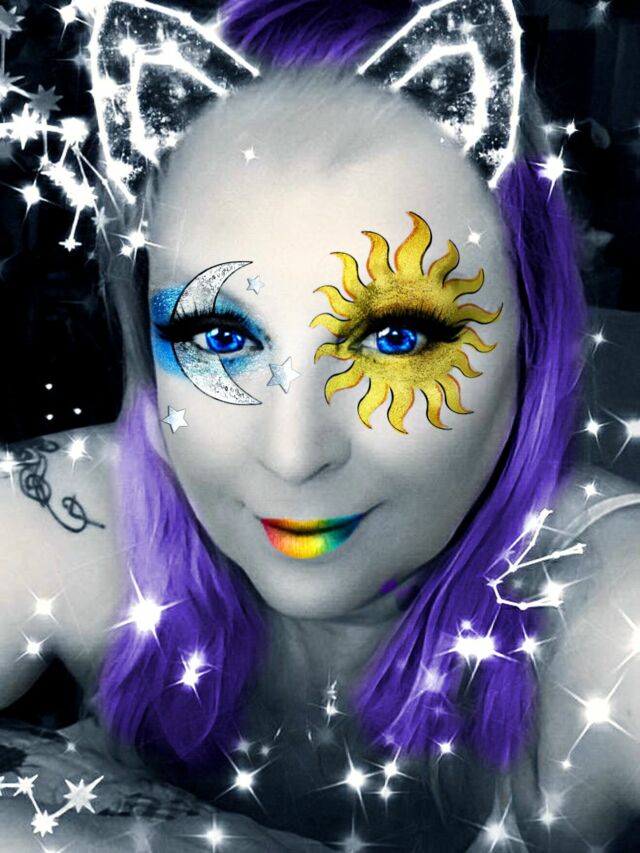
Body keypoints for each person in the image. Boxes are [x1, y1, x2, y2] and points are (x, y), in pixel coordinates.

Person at [2, 1, 640, 851]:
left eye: (397, 335)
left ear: (532, 331)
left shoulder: (612, 622)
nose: (294, 453)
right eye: (219, 336)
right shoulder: (84, 520)